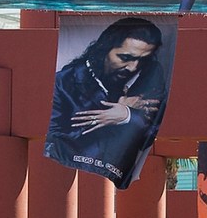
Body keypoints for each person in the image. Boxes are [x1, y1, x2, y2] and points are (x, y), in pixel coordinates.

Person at [44, 16, 171, 188]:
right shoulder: (65, 83)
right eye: (125, 57)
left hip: (113, 179)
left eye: (142, 60)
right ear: (104, 49)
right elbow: (55, 143)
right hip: (72, 179)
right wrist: (109, 121)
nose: (133, 67)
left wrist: (126, 114)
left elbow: (152, 131)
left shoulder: (150, 76)